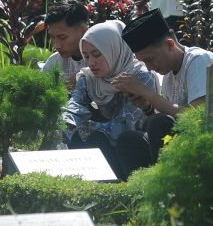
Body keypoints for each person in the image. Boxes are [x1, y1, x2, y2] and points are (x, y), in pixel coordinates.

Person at [112, 8, 213, 173]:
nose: (149, 68)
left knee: (159, 122)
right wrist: (147, 106)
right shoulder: (168, 75)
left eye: (150, 60)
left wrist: (147, 92)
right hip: (182, 146)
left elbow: (197, 117)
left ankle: (168, 192)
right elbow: (164, 126)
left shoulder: (199, 60)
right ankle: (140, 194)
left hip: (207, 148)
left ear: (170, 44)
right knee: (128, 140)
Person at [63, 20, 158, 180]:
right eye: (86, 56)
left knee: (121, 140)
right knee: (81, 137)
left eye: (97, 54)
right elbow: (74, 108)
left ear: (114, 49)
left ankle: (133, 191)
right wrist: (61, 129)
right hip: (107, 147)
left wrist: (88, 127)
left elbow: (126, 124)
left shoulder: (140, 76)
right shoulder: (88, 79)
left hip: (135, 150)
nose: (91, 62)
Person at [42, 0, 89, 93]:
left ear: (83, 31)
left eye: (62, 37)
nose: (56, 45)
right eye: (52, 37)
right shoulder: (54, 62)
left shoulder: (104, 58)